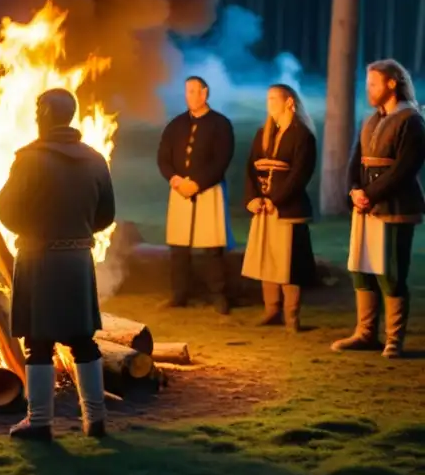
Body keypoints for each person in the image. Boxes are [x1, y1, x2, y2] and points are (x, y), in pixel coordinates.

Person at [0, 88, 115, 440]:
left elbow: (6, 211)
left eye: (37, 110)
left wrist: (35, 231)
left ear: (46, 114)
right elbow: (106, 214)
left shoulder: (29, 159)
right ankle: (95, 420)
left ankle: (40, 422)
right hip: (77, 260)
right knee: (83, 341)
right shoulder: (95, 158)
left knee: (39, 343)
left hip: (38, 258)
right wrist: (76, 233)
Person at [333, 59, 424, 359]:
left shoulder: (411, 120)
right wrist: (354, 191)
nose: (368, 89)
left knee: (392, 273)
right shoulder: (369, 120)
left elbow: (404, 169)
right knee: (362, 269)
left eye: (373, 83)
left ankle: (393, 339)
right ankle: (365, 333)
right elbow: (354, 161)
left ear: (391, 84)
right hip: (366, 208)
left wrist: (370, 194)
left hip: (395, 206)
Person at [241, 85, 318, 332]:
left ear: (289, 102)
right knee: (267, 258)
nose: (269, 102)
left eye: (274, 98)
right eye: (268, 98)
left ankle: (291, 316)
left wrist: (276, 199)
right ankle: (272, 310)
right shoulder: (263, 133)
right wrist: (253, 198)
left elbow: (299, 175)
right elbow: (251, 169)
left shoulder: (303, 136)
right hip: (263, 208)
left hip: (287, 208)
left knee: (289, 263)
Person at [157, 76, 235, 313]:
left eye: (193, 91)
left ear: (204, 93)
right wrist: (174, 178)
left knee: (212, 247)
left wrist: (199, 183)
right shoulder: (176, 124)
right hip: (180, 190)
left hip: (208, 190)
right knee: (179, 248)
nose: (189, 96)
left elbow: (222, 159)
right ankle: (179, 295)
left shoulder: (220, 124)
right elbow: (163, 157)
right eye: (187, 91)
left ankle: (219, 296)